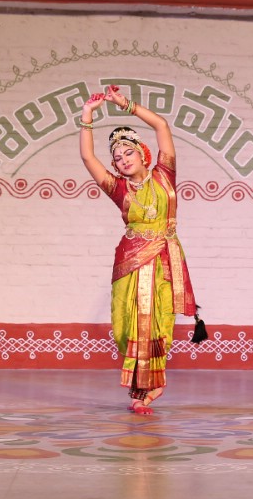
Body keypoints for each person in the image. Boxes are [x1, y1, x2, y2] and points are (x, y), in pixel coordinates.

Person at [78, 85, 198, 415]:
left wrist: (125, 104)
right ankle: (138, 384)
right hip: (131, 261)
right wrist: (87, 116)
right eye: (117, 158)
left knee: (158, 322)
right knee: (128, 326)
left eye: (127, 152)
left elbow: (161, 126)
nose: (122, 160)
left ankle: (147, 387)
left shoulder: (165, 174)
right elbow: (88, 157)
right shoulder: (118, 189)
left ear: (141, 152)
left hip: (163, 258)